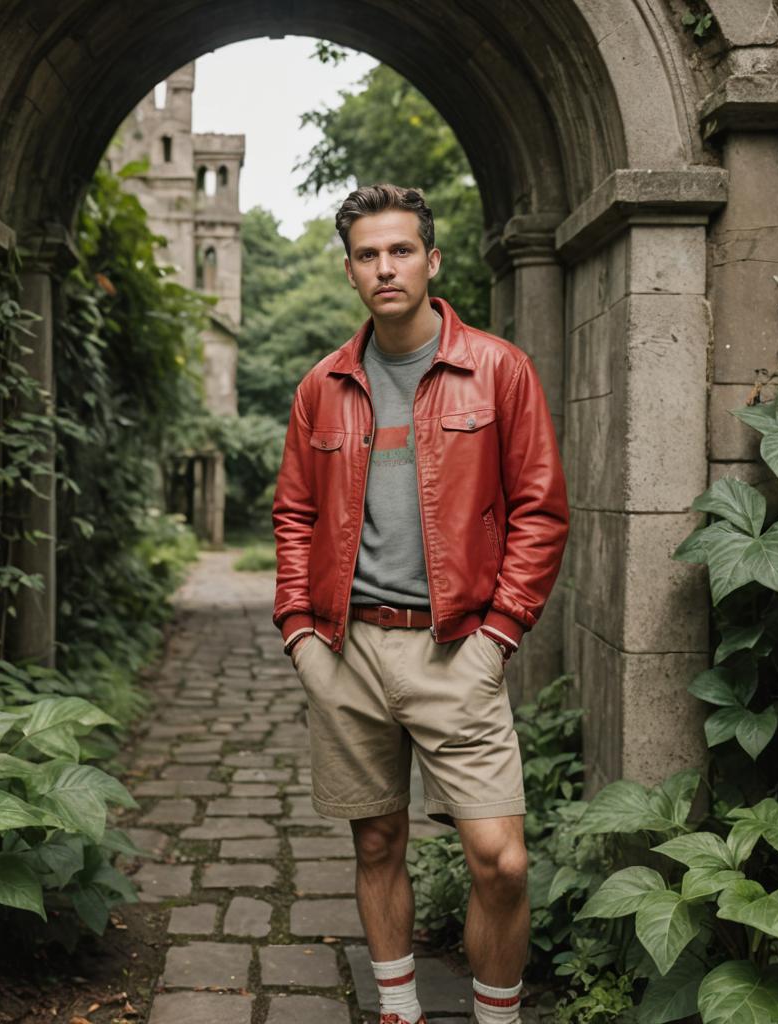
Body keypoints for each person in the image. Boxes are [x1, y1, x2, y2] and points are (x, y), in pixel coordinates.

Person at [271, 184, 569, 1024]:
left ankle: (497, 1017)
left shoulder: (499, 369)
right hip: (349, 650)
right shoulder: (322, 386)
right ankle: (397, 1012)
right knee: (377, 842)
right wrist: (300, 632)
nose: (385, 267)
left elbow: (540, 511)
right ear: (350, 271)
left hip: (458, 649)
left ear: (432, 262)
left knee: (499, 860)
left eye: (400, 250)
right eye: (368, 254)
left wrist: (499, 635)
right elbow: (294, 513)